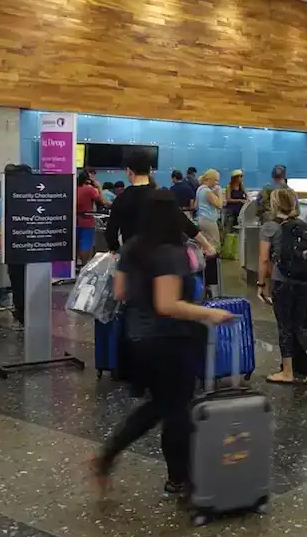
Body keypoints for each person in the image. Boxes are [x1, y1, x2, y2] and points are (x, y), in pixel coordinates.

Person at [91, 191, 235, 500]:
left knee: (162, 405)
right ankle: (179, 479)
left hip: (136, 339)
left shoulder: (132, 247)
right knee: (176, 410)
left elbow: (120, 292)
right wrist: (210, 313)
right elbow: (167, 305)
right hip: (169, 340)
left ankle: (111, 456)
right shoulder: (171, 253)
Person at [254, 188, 307, 385]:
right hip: (305, 281)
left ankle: (287, 372)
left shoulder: (269, 227)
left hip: (283, 281)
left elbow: (264, 259)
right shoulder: (304, 226)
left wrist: (261, 284)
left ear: (274, 205)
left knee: (284, 326)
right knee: (299, 324)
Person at [105, 151, 214, 255]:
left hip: (132, 259)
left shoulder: (121, 199)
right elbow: (186, 224)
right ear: (150, 170)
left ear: (128, 171)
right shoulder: (164, 197)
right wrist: (207, 245)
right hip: (161, 260)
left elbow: (110, 233)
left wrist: (116, 250)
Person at [0, 164, 30, 325]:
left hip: (14, 245)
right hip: (37, 245)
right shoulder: (40, 196)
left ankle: (22, 312)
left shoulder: (8, 197)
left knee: (18, 280)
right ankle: (35, 311)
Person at [76, 172, 107, 266]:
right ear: (88, 180)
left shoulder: (74, 188)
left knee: (75, 244)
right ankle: (84, 265)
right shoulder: (90, 189)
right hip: (87, 221)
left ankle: (75, 265)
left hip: (74, 221)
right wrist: (99, 187)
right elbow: (102, 201)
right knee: (85, 244)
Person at [194, 169, 223, 252]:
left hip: (201, 218)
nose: (217, 183)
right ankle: (213, 259)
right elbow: (219, 205)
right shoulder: (207, 191)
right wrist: (219, 192)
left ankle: (204, 259)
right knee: (215, 243)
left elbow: (196, 205)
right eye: (216, 180)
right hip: (209, 219)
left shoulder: (200, 189)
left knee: (205, 244)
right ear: (210, 179)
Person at [223, 170, 248, 235]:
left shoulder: (241, 186)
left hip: (240, 210)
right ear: (235, 177)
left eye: (242, 176)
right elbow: (228, 199)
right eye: (240, 176)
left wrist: (247, 198)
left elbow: (246, 194)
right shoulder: (229, 186)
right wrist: (239, 200)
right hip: (232, 210)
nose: (242, 178)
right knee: (230, 229)